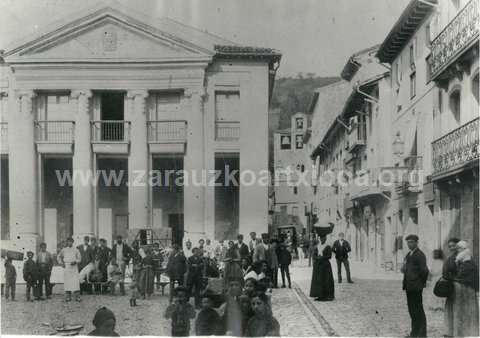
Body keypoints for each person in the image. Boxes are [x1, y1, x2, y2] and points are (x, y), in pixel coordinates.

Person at [448, 240, 479, 337]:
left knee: (466, 313)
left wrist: (453, 279)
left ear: (463, 249)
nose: (457, 250)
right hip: (465, 291)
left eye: (458, 248)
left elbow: (462, 276)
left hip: (467, 290)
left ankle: (467, 333)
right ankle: (464, 332)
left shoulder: (467, 261)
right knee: (464, 313)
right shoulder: (465, 259)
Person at [401, 234, 428, 338]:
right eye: (408, 242)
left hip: (416, 287)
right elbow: (406, 267)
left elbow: (424, 271)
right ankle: (414, 333)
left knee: (418, 310)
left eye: (412, 242)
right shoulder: (409, 254)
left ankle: (421, 335)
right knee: (412, 311)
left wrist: (421, 283)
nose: (409, 244)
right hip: (409, 286)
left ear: (417, 243)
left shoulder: (420, 255)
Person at [309, 223, 334, 301]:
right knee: (319, 281)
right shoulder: (317, 246)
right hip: (318, 266)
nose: (323, 239)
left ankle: (327, 295)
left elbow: (329, 256)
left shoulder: (328, 246)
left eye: (324, 238)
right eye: (322, 238)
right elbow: (314, 255)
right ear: (320, 239)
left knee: (326, 280)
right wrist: (317, 258)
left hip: (325, 266)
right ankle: (319, 294)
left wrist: (322, 258)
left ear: (326, 239)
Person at [443, 237, 460, 337]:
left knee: (458, 309)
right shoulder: (449, 258)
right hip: (451, 288)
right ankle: (450, 331)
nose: (451, 248)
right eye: (450, 246)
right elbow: (444, 273)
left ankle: (457, 331)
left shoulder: (462, 257)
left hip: (458, 287)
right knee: (451, 309)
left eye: (453, 246)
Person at [58, 237, 82, 302]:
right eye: (68, 241)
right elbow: (59, 257)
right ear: (67, 242)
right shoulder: (64, 250)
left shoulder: (76, 250)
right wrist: (61, 263)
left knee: (75, 281)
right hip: (67, 266)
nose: (69, 243)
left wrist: (76, 261)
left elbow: (79, 259)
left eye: (71, 241)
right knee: (67, 281)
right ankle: (68, 296)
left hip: (74, 267)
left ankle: (77, 297)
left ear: (73, 242)